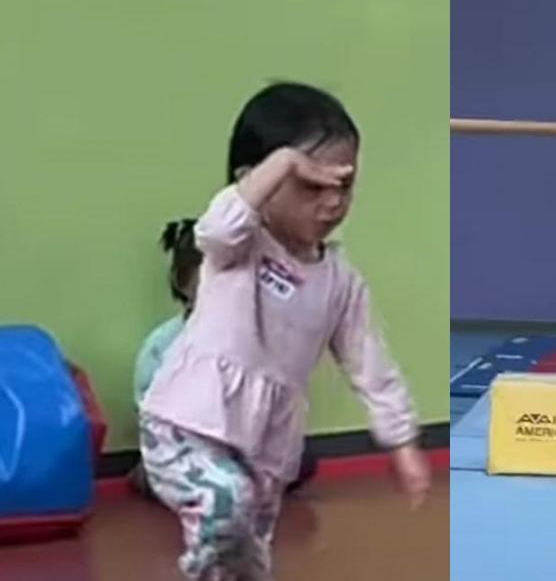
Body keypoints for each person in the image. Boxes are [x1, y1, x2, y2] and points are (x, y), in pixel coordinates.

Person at [138, 82, 430, 580]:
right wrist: (284, 163)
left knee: (250, 560)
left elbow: (371, 364)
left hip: (266, 448)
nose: (332, 202)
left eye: (344, 185)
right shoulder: (240, 244)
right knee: (226, 501)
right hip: (187, 425)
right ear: (255, 179)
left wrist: (403, 443)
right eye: (310, 186)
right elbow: (215, 228)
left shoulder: (341, 282)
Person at [129, 219, 318, 499]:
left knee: (300, 459)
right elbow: (151, 414)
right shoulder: (162, 345)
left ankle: (237, 486)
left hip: (242, 447)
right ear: (184, 284)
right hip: (187, 447)